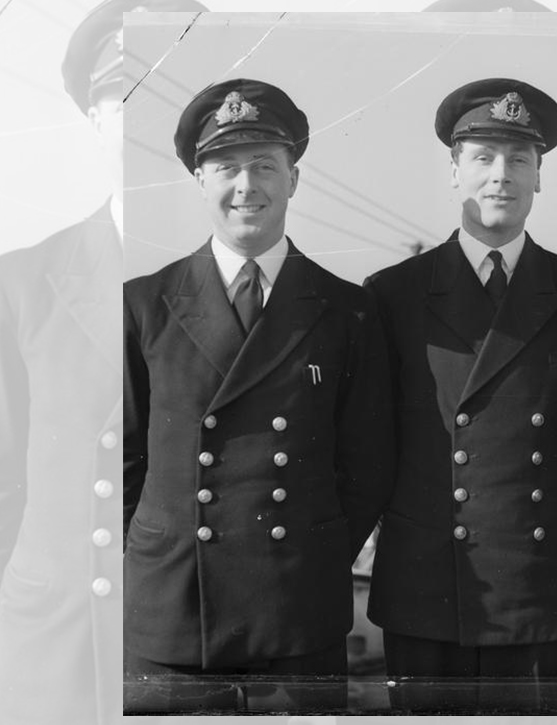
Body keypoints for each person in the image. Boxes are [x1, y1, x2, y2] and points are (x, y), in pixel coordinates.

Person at [122, 78, 393, 713]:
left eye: (265, 167)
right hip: (174, 618)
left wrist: (309, 552)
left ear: (294, 179)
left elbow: (368, 465)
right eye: (226, 167)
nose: (247, 187)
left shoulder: (348, 310)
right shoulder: (142, 304)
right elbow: (120, 462)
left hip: (295, 617)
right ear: (198, 179)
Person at [363, 77, 557, 713]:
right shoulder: (392, 293)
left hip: (538, 593)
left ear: (539, 177)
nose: (500, 176)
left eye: (519, 160)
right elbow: (368, 450)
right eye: (482, 158)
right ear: (454, 171)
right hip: (426, 586)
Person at [0, 2, 204, 723]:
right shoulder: (20, 282)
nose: (142, 115)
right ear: (92, 116)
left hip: (191, 643)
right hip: (50, 646)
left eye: (167, 90)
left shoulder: (255, 290)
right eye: (123, 92)